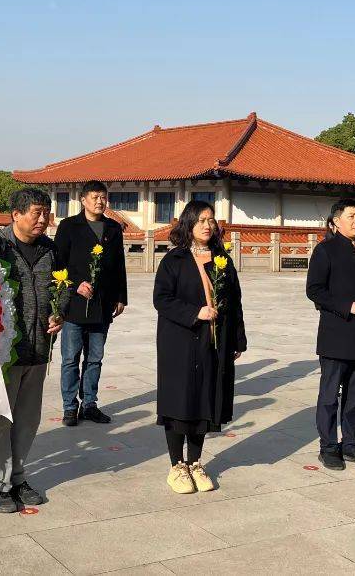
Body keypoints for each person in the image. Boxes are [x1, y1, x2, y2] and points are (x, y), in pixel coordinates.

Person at [153, 201, 246, 494]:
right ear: (188, 224)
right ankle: (176, 465)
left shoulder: (222, 259)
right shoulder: (174, 260)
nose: (208, 225)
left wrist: (238, 339)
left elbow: (235, 301)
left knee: (206, 400)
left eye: (211, 220)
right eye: (201, 220)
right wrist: (196, 313)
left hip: (213, 342)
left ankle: (195, 462)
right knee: (180, 402)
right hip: (180, 341)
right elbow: (162, 299)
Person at [0, 188, 67, 512]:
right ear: (16, 214)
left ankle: (17, 478)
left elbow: (64, 287)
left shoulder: (50, 249)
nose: (43, 219)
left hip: (38, 350)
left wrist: (61, 313)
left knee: (28, 420)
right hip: (5, 352)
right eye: (36, 212)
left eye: (46, 212)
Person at [305, 199, 355, 471]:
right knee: (329, 396)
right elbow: (314, 290)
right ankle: (328, 447)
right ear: (336, 221)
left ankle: (350, 444)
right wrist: (347, 306)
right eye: (351, 216)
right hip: (336, 333)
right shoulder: (325, 251)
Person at [54, 181, 128, 426]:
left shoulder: (113, 228)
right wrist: (75, 285)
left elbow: (119, 266)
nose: (100, 201)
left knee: (95, 357)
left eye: (103, 197)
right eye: (95, 197)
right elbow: (58, 264)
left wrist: (120, 297)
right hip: (75, 305)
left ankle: (90, 404)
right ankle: (69, 407)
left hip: (102, 303)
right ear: (83, 200)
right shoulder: (68, 227)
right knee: (70, 358)